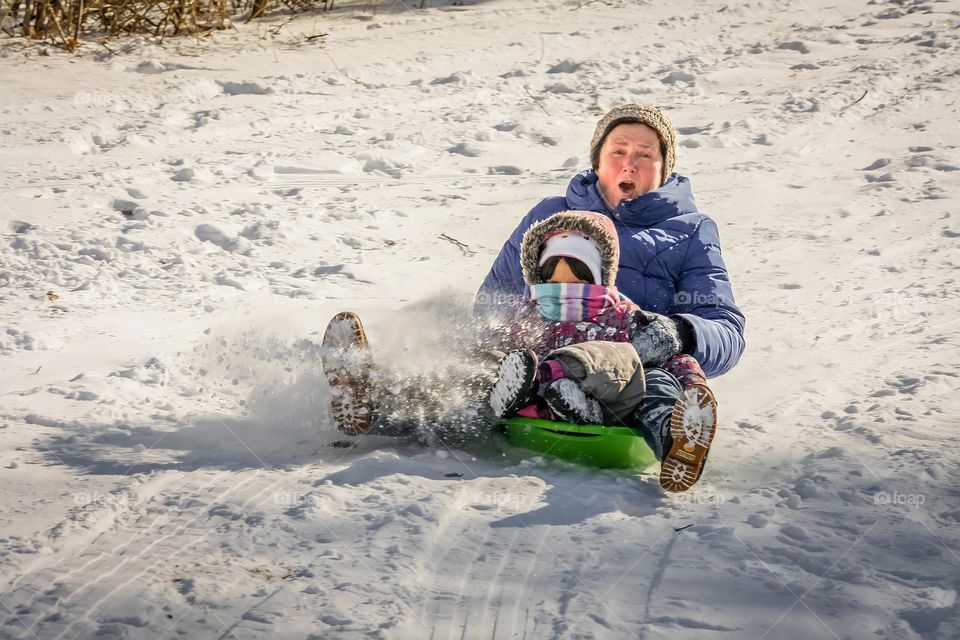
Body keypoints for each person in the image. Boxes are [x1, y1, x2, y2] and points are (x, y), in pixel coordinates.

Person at [476, 103, 746, 490]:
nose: (629, 165)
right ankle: (405, 405)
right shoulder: (550, 217)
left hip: (628, 378)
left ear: (664, 168)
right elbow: (491, 303)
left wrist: (680, 332)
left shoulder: (690, 231)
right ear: (597, 160)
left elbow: (725, 329)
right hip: (534, 365)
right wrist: (500, 340)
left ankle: (675, 440)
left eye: (645, 155)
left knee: (657, 381)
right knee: (474, 367)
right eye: (618, 151)